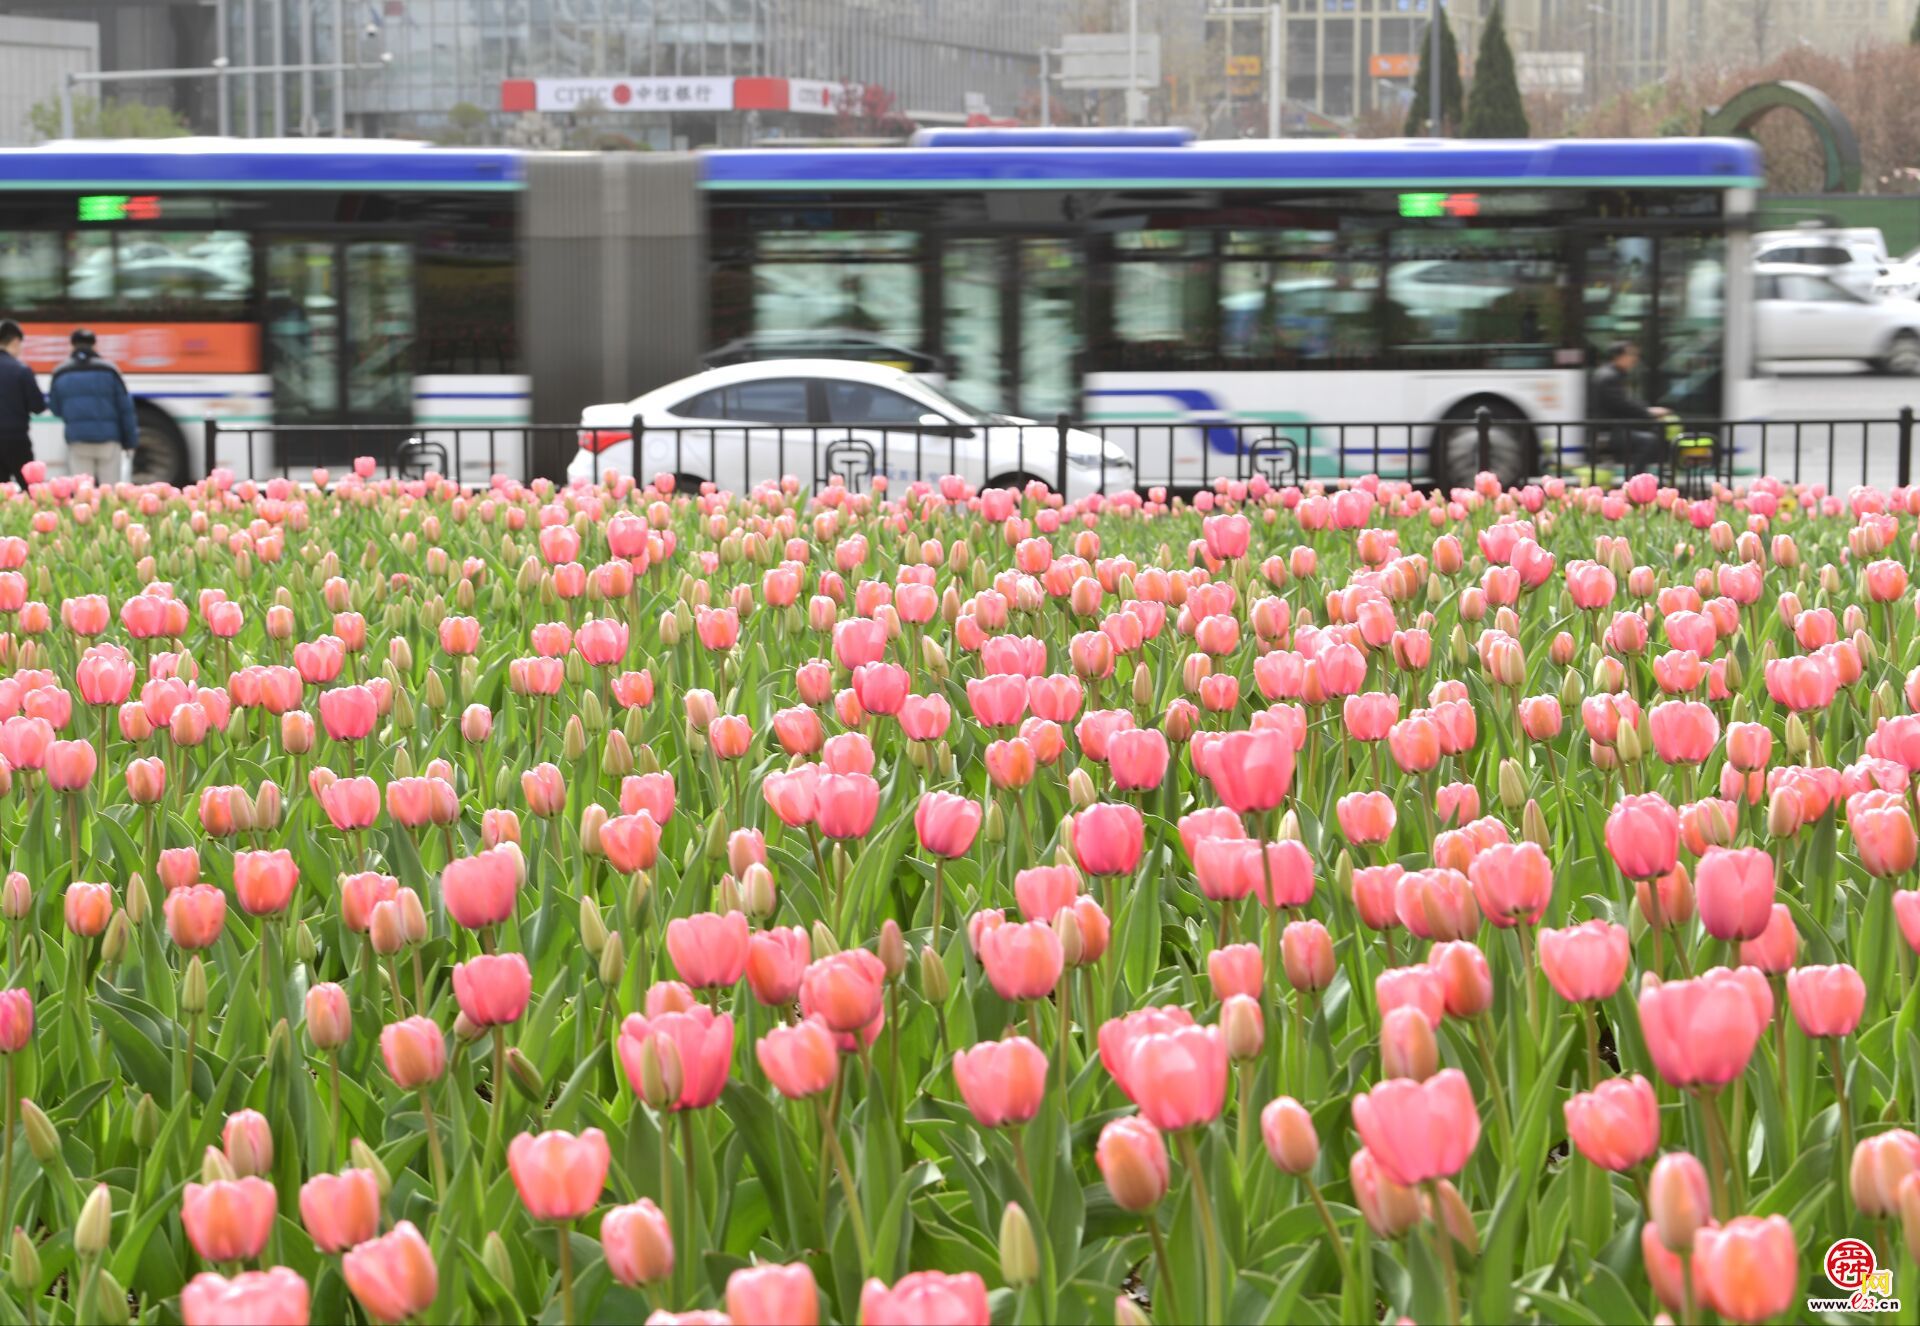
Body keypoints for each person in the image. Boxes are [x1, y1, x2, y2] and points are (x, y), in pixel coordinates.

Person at [48, 328, 138, 484]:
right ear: (94, 346)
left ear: (72, 346)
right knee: (109, 493)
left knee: (83, 493)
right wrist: (130, 442)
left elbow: (55, 408)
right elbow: (126, 410)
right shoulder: (110, 370)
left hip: (78, 441)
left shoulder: (61, 372)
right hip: (109, 441)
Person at [1590, 340, 1672, 471]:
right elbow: (1621, 404)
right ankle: (1635, 479)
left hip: (1614, 428)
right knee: (1649, 441)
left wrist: (1647, 411)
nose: (1635, 359)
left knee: (1654, 434)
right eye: (1632, 355)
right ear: (1619, 356)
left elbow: (1625, 403)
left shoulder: (1611, 374)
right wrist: (1648, 412)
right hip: (1610, 431)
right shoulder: (1609, 377)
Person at [0, 320, 46, 486]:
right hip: (17, 439)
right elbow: (38, 406)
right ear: (15, 342)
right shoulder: (22, 370)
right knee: (30, 488)